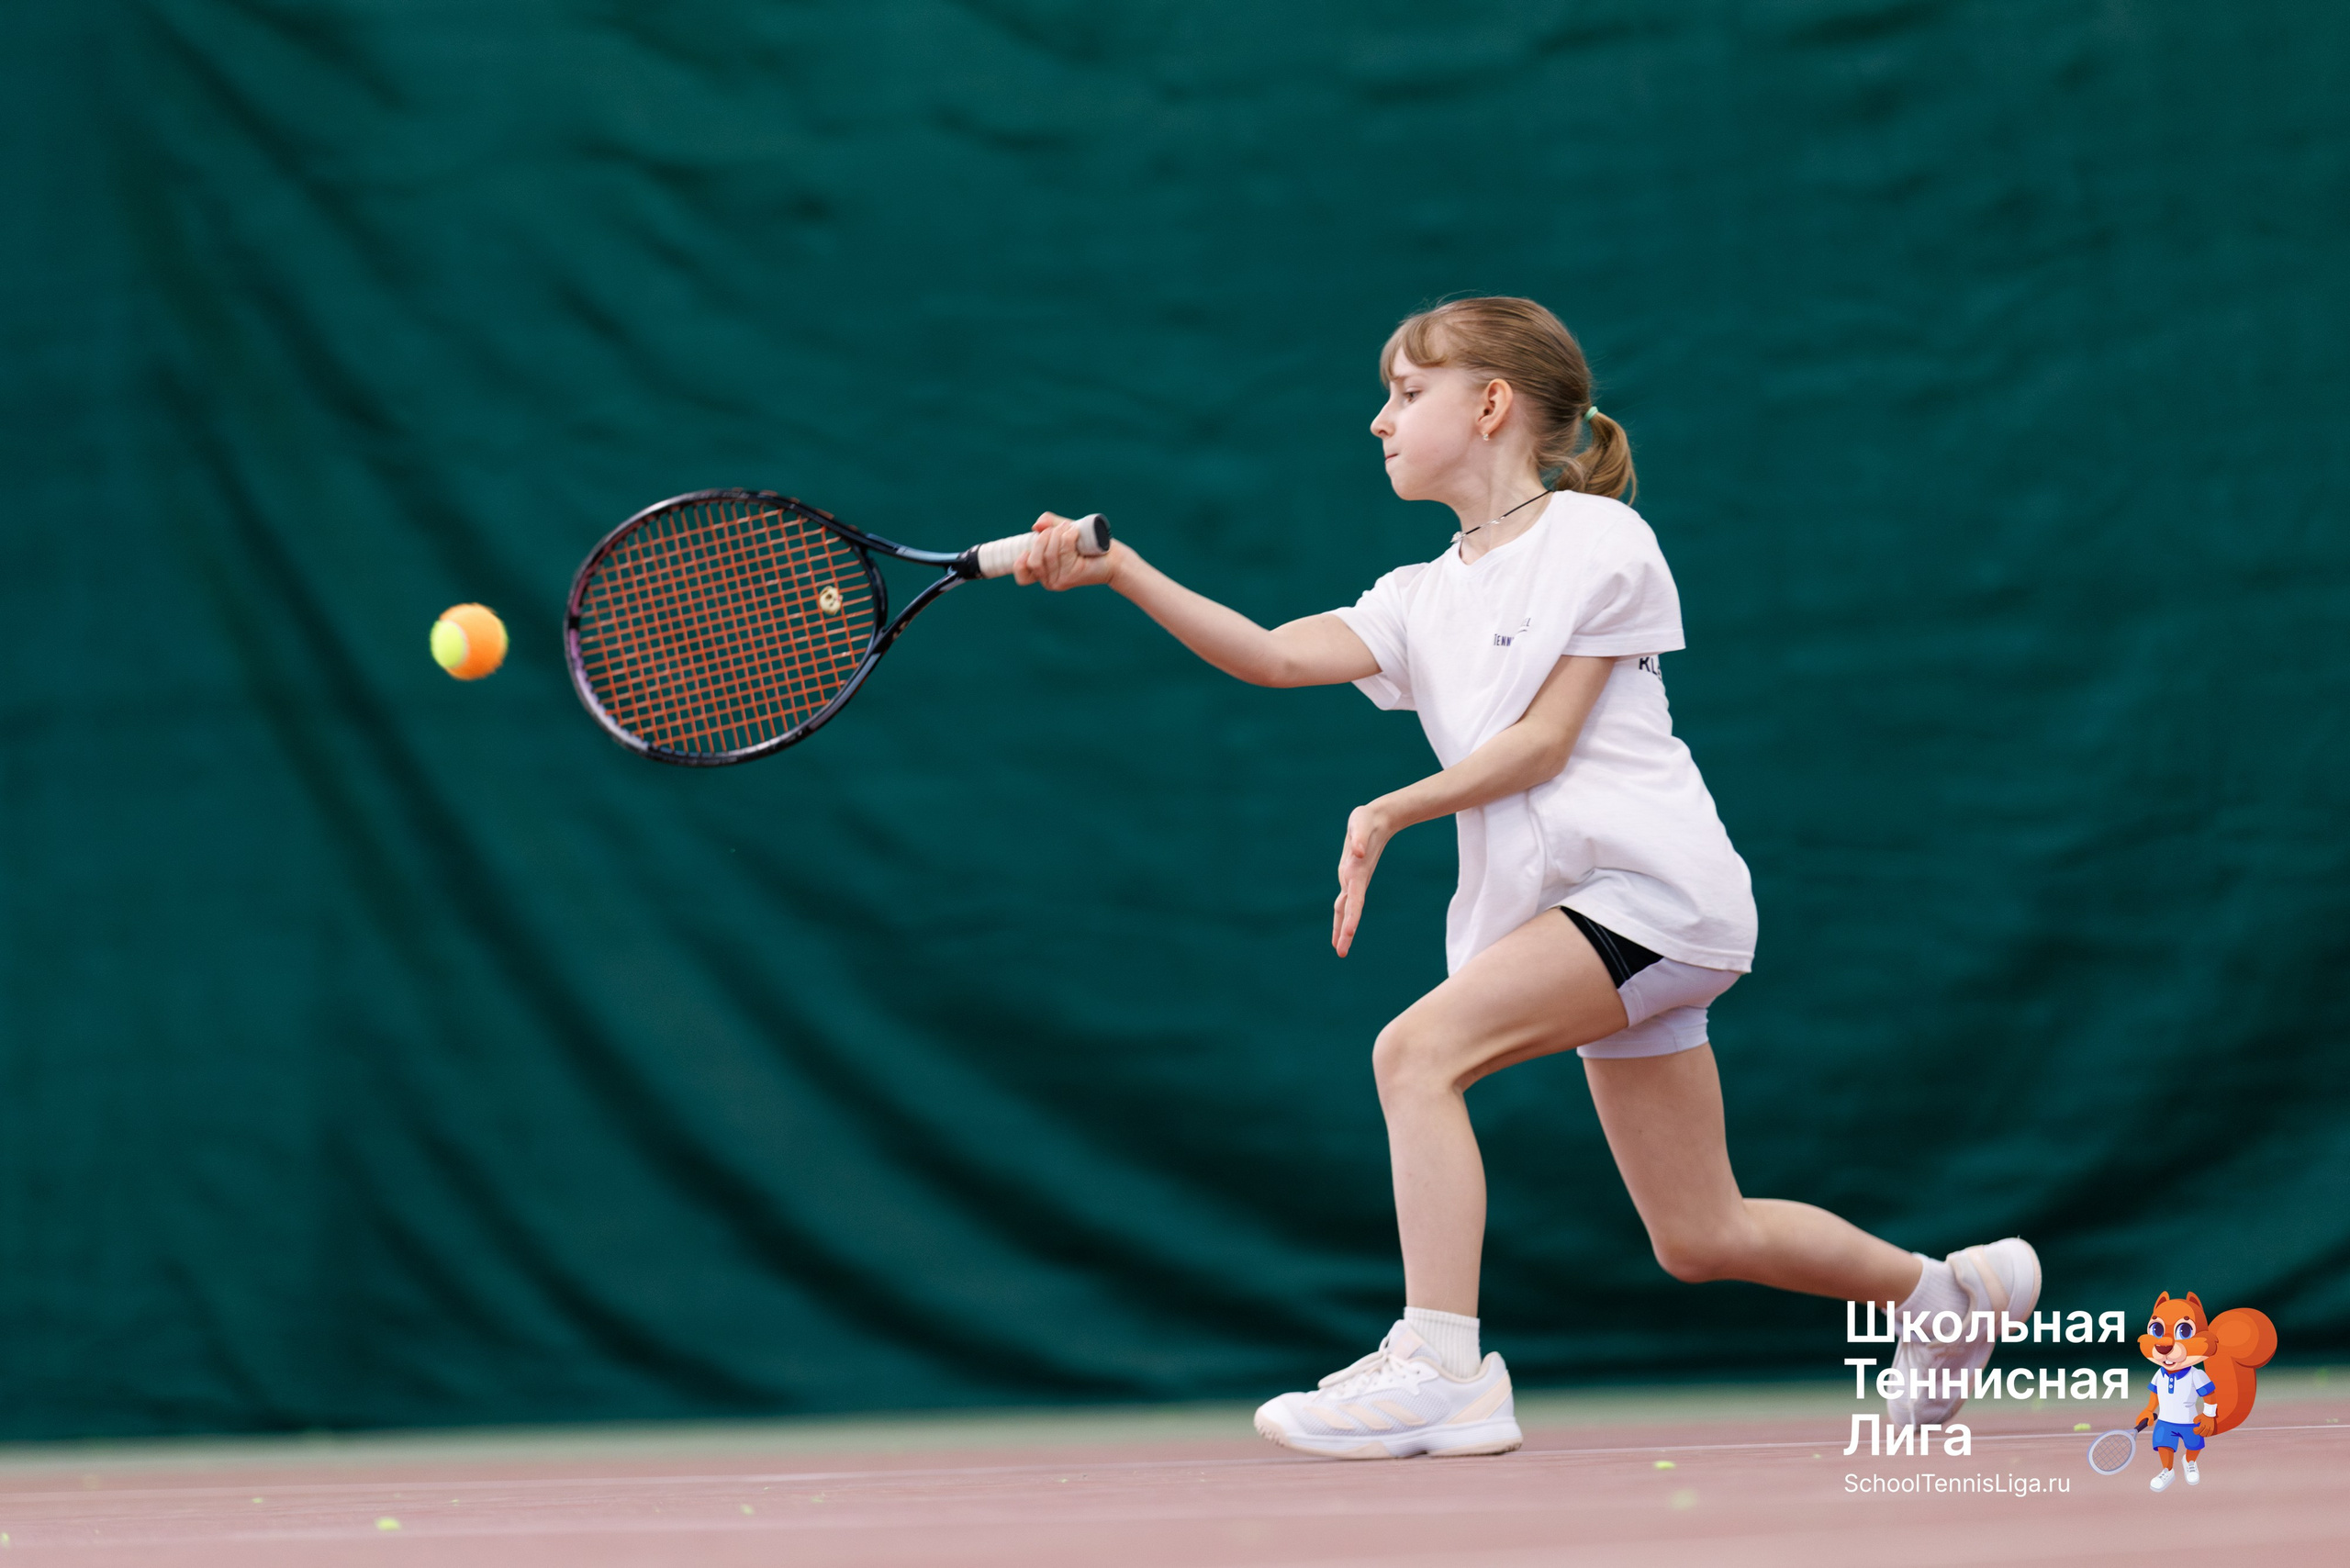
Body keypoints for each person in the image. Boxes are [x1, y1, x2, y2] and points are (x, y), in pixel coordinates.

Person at [1014, 296, 2038, 1459]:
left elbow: (1545, 743)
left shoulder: (1603, 541)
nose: (1377, 421)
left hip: (1650, 896)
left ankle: (1442, 1364)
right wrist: (1126, 572)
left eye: (1405, 393)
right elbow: (1271, 653)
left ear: (1489, 404)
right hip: (1577, 921)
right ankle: (1940, 1299)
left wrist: (1393, 806)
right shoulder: (1418, 594)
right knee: (1699, 1232)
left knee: (1414, 1052)